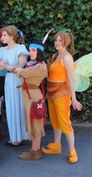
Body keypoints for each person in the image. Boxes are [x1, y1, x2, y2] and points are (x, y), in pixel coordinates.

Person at [42, 30, 82, 164]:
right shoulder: (55, 56)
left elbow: (71, 80)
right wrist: (47, 94)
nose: (57, 43)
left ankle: (72, 150)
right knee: (55, 121)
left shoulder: (67, 58)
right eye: (56, 40)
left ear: (66, 42)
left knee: (65, 123)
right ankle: (57, 145)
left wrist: (74, 98)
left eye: (61, 41)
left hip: (62, 95)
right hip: (52, 94)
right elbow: (51, 77)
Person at [14, 41, 47, 160]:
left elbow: (22, 73)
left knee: (35, 123)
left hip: (34, 96)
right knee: (31, 122)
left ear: (39, 52)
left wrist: (13, 68)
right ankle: (34, 149)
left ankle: (35, 152)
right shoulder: (32, 64)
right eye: (30, 50)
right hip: (28, 96)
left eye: (34, 50)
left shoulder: (40, 66)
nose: (30, 52)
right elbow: (21, 73)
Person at [0, 25, 28, 146]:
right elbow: (0, 67)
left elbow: (22, 64)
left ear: (11, 36)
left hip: (17, 79)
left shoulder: (20, 48)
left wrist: (7, 66)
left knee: (18, 106)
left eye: (4, 35)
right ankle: (14, 136)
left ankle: (19, 136)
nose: (2, 37)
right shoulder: (3, 50)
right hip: (8, 79)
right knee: (10, 106)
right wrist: (1, 65)